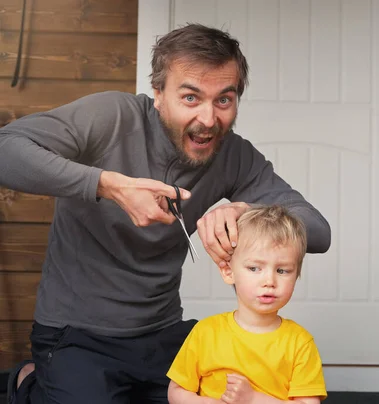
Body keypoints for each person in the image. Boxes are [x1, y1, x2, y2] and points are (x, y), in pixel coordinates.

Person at [1, 24, 331, 404]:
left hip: (161, 332)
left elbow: (318, 230)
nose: (208, 119)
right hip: (76, 334)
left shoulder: (235, 155)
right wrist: (110, 185)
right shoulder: (110, 116)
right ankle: (29, 383)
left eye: (223, 100)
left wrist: (247, 211)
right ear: (158, 94)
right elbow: (6, 149)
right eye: (191, 98)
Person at [167, 205, 326, 404]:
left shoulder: (300, 343)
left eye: (282, 271)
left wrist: (252, 399)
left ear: (296, 276)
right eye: (254, 268)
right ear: (228, 272)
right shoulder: (205, 333)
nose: (269, 280)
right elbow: (176, 392)